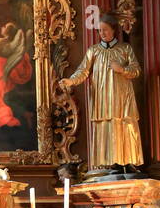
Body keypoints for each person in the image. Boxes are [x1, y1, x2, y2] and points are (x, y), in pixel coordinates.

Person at [59, 12, 143, 171]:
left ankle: (127, 161)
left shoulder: (125, 49)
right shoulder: (94, 51)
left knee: (125, 123)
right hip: (102, 96)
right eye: (99, 31)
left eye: (105, 30)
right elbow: (83, 71)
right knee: (106, 125)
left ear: (113, 30)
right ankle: (110, 161)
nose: (102, 33)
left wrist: (122, 69)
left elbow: (136, 70)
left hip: (122, 95)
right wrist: (70, 80)